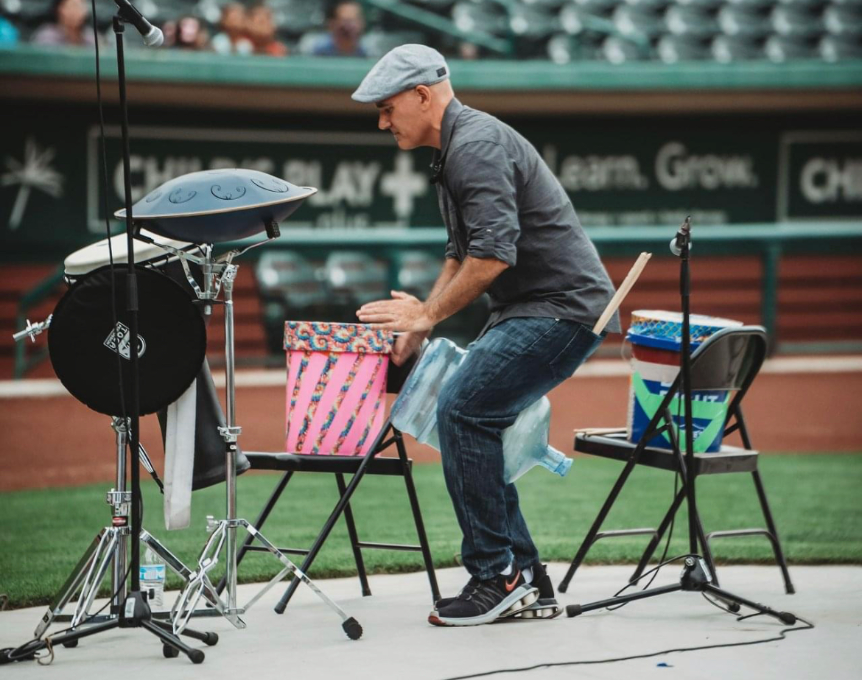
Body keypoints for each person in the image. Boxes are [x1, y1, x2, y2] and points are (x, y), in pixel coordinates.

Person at [354, 45, 620, 627]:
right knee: (472, 415)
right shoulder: (455, 149)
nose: (381, 120)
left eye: (386, 107)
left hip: (561, 308)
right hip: (539, 309)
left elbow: (493, 256)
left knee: (464, 410)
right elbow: (461, 253)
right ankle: (526, 579)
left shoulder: (474, 146)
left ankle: (494, 577)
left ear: (423, 95)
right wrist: (424, 312)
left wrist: (426, 318)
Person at [31, 0, 95, 47]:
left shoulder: (89, 37)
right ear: (59, 9)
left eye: (80, 7)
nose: (76, 11)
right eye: (72, 6)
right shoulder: (47, 36)